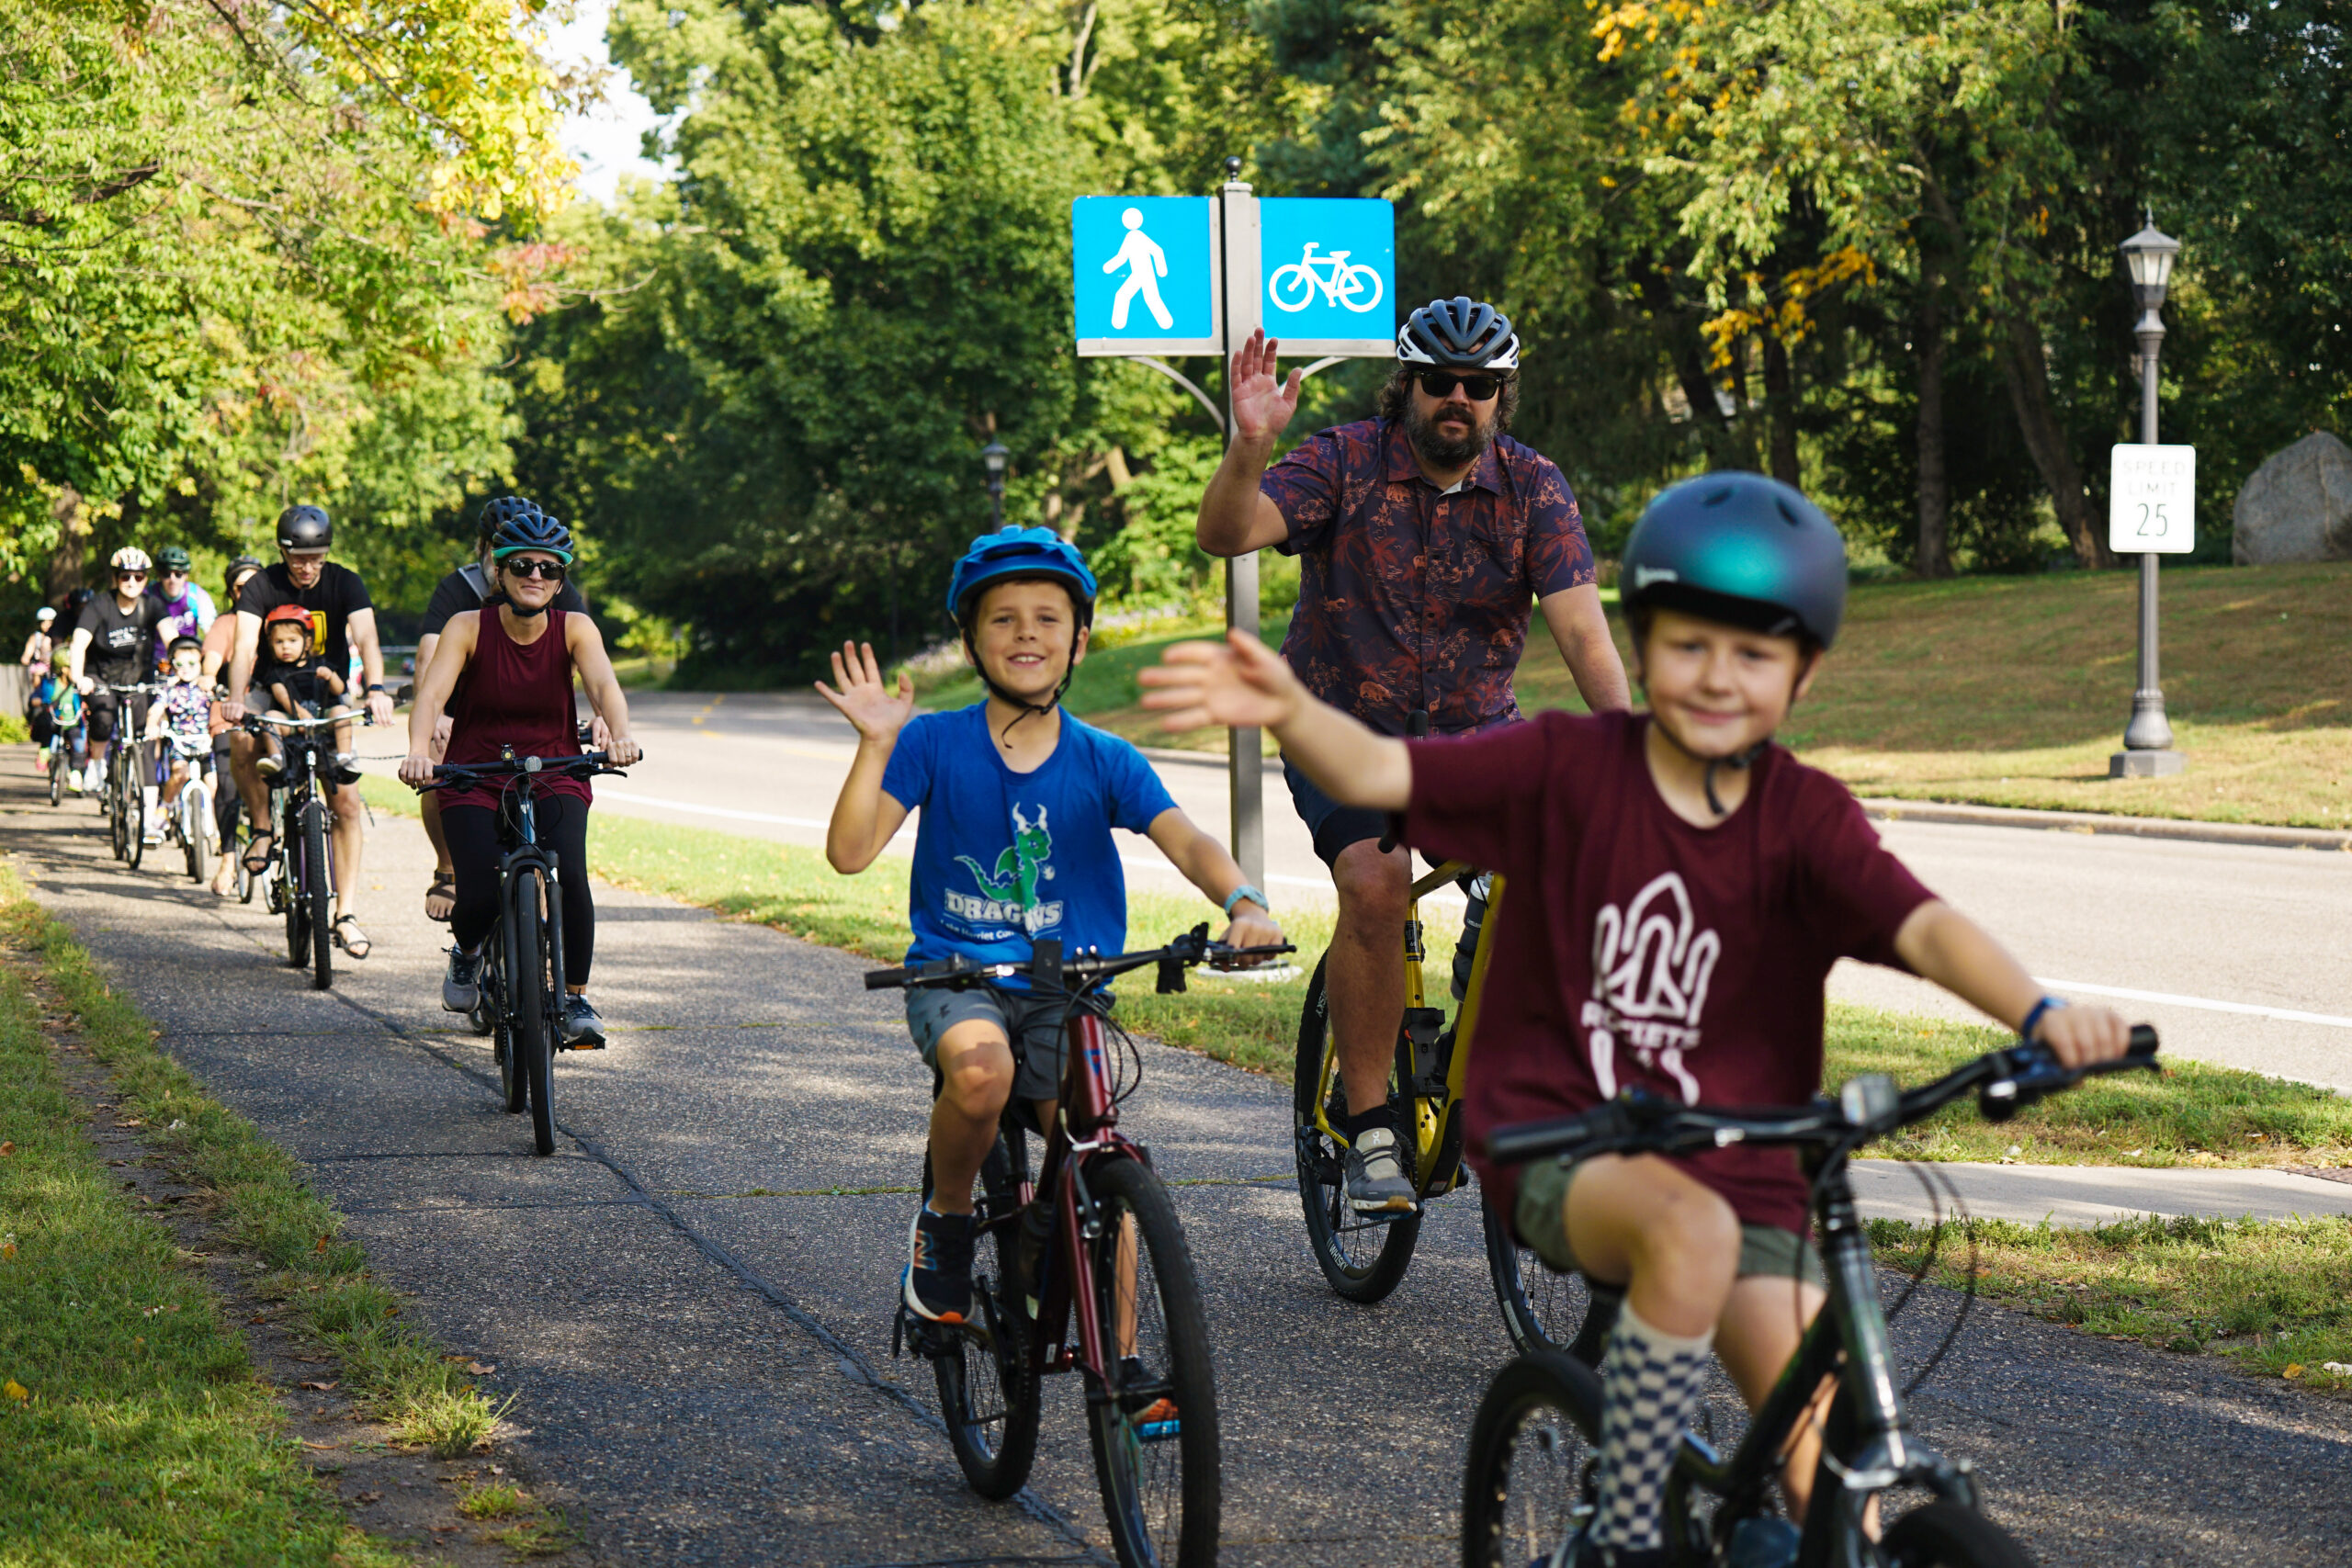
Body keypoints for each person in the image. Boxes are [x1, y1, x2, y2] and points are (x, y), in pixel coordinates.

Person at [1141, 471, 2136, 1568]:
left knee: (1832, 1487)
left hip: (1743, 1170)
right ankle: (1624, 1528)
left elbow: (1922, 927)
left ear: (1803, 673)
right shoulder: (1565, 771)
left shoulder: (1802, 815)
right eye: (1688, 646)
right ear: (1642, 645)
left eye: (1754, 655)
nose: (1719, 678)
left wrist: (2040, 1012)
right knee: (1689, 1234)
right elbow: (1383, 769)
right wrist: (1289, 708)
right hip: (1569, 1140)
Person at [1193, 299, 1634, 1216]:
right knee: (1377, 880)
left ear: (1500, 397)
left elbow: (1587, 640)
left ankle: (1492, 1049)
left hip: (1475, 741)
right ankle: (1373, 1128)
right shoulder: (1343, 460)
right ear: (1408, 386)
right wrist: (1249, 447)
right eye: (1440, 381)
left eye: (1479, 387)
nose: (1458, 399)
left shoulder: (1533, 487)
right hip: (1342, 729)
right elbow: (1226, 534)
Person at [819, 525, 1284, 1329]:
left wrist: (1244, 900)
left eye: (1046, 617)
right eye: (1002, 618)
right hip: (958, 975)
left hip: (1067, 984)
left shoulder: (1106, 757)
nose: (1025, 632)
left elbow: (1188, 839)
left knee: (1103, 1151)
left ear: (1080, 640)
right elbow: (850, 852)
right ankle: (949, 1222)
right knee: (981, 1072)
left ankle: (1132, 1377)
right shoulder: (932, 742)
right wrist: (876, 743)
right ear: (970, 640)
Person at [398, 508, 639, 1047]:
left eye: (550, 570)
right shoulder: (467, 627)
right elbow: (432, 696)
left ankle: (574, 997)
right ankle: (467, 954)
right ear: (500, 572)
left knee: (570, 877)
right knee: (479, 893)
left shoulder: (576, 628)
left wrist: (618, 733)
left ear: (561, 580)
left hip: (555, 768)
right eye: (522, 565)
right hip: (473, 773)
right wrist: (419, 750)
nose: (536, 576)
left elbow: (604, 688)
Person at [223, 506, 396, 958]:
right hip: (272, 690)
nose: (307, 567)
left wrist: (375, 689)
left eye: (316, 557)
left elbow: (368, 639)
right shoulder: (263, 586)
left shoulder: (345, 582)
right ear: (282, 552)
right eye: (298, 557)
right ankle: (262, 826)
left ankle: (346, 913)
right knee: (240, 737)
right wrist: (237, 696)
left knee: (347, 803)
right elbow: (244, 645)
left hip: (325, 692)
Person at [413, 496, 589, 923]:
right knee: (439, 764)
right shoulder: (458, 590)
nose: (533, 571)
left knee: (566, 867)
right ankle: (448, 868)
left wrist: (604, 721)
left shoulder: (556, 590)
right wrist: (432, 723)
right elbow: (428, 657)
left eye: (545, 565)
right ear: (490, 553)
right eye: (515, 557)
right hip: (464, 705)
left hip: (533, 712)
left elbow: (594, 668)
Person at [66, 547, 170, 808]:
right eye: (125, 577)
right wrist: (79, 677)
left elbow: (172, 638)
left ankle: (147, 813)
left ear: (146, 579)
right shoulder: (100, 605)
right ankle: (98, 764)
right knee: (103, 714)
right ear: (116, 578)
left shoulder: (153, 605)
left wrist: (185, 663)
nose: (132, 582)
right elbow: (79, 644)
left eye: (139, 577)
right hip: (101, 676)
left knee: (145, 738)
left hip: (138, 678)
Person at [202, 557, 264, 895]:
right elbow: (211, 661)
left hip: (270, 712)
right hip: (229, 710)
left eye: (257, 584)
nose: (250, 592)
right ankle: (228, 859)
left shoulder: (276, 618)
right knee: (226, 785)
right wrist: (209, 678)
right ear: (232, 590)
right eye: (243, 586)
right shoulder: (225, 624)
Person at [251, 604, 353, 779]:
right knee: (270, 717)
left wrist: (330, 677)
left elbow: (339, 689)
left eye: (292, 641)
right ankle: (276, 759)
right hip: (293, 721)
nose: (285, 647)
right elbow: (281, 695)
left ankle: (344, 758)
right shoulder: (276, 672)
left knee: (342, 712)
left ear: (307, 642)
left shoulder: (320, 663)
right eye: (279, 642)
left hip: (322, 719)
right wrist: (300, 714)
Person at [141, 636, 216, 829]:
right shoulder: (170, 690)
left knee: (214, 784)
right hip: (180, 743)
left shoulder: (207, 688)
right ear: (173, 665)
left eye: (192, 663)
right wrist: (152, 724)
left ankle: (215, 826)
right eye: (179, 663)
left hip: (205, 743)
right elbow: (156, 709)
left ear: (200, 663)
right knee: (179, 774)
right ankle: (165, 806)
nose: (186, 668)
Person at [147, 545, 216, 662]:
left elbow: (211, 634)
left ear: (186, 574)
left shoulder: (197, 596)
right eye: (166, 574)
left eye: (178, 574)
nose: (172, 579)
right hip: (155, 661)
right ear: (159, 575)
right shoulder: (149, 595)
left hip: (188, 660)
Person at [21, 604, 56, 771]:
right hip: (41, 672)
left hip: (58, 672)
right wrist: (30, 660)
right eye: (44, 622)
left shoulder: (59, 636)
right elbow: (26, 657)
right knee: (39, 686)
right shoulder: (35, 638)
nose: (47, 625)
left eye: (50, 622)